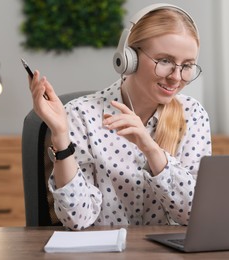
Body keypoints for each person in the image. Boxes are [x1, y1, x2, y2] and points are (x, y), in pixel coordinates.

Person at [28, 3, 211, 230]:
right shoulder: (81, 115)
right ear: (128, 57)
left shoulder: (193, 115)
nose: (176, 77)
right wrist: (61, 135)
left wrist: (150, 148)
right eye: (164, 61)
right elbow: (77, 219)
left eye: (188, 65)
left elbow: (194, 214)